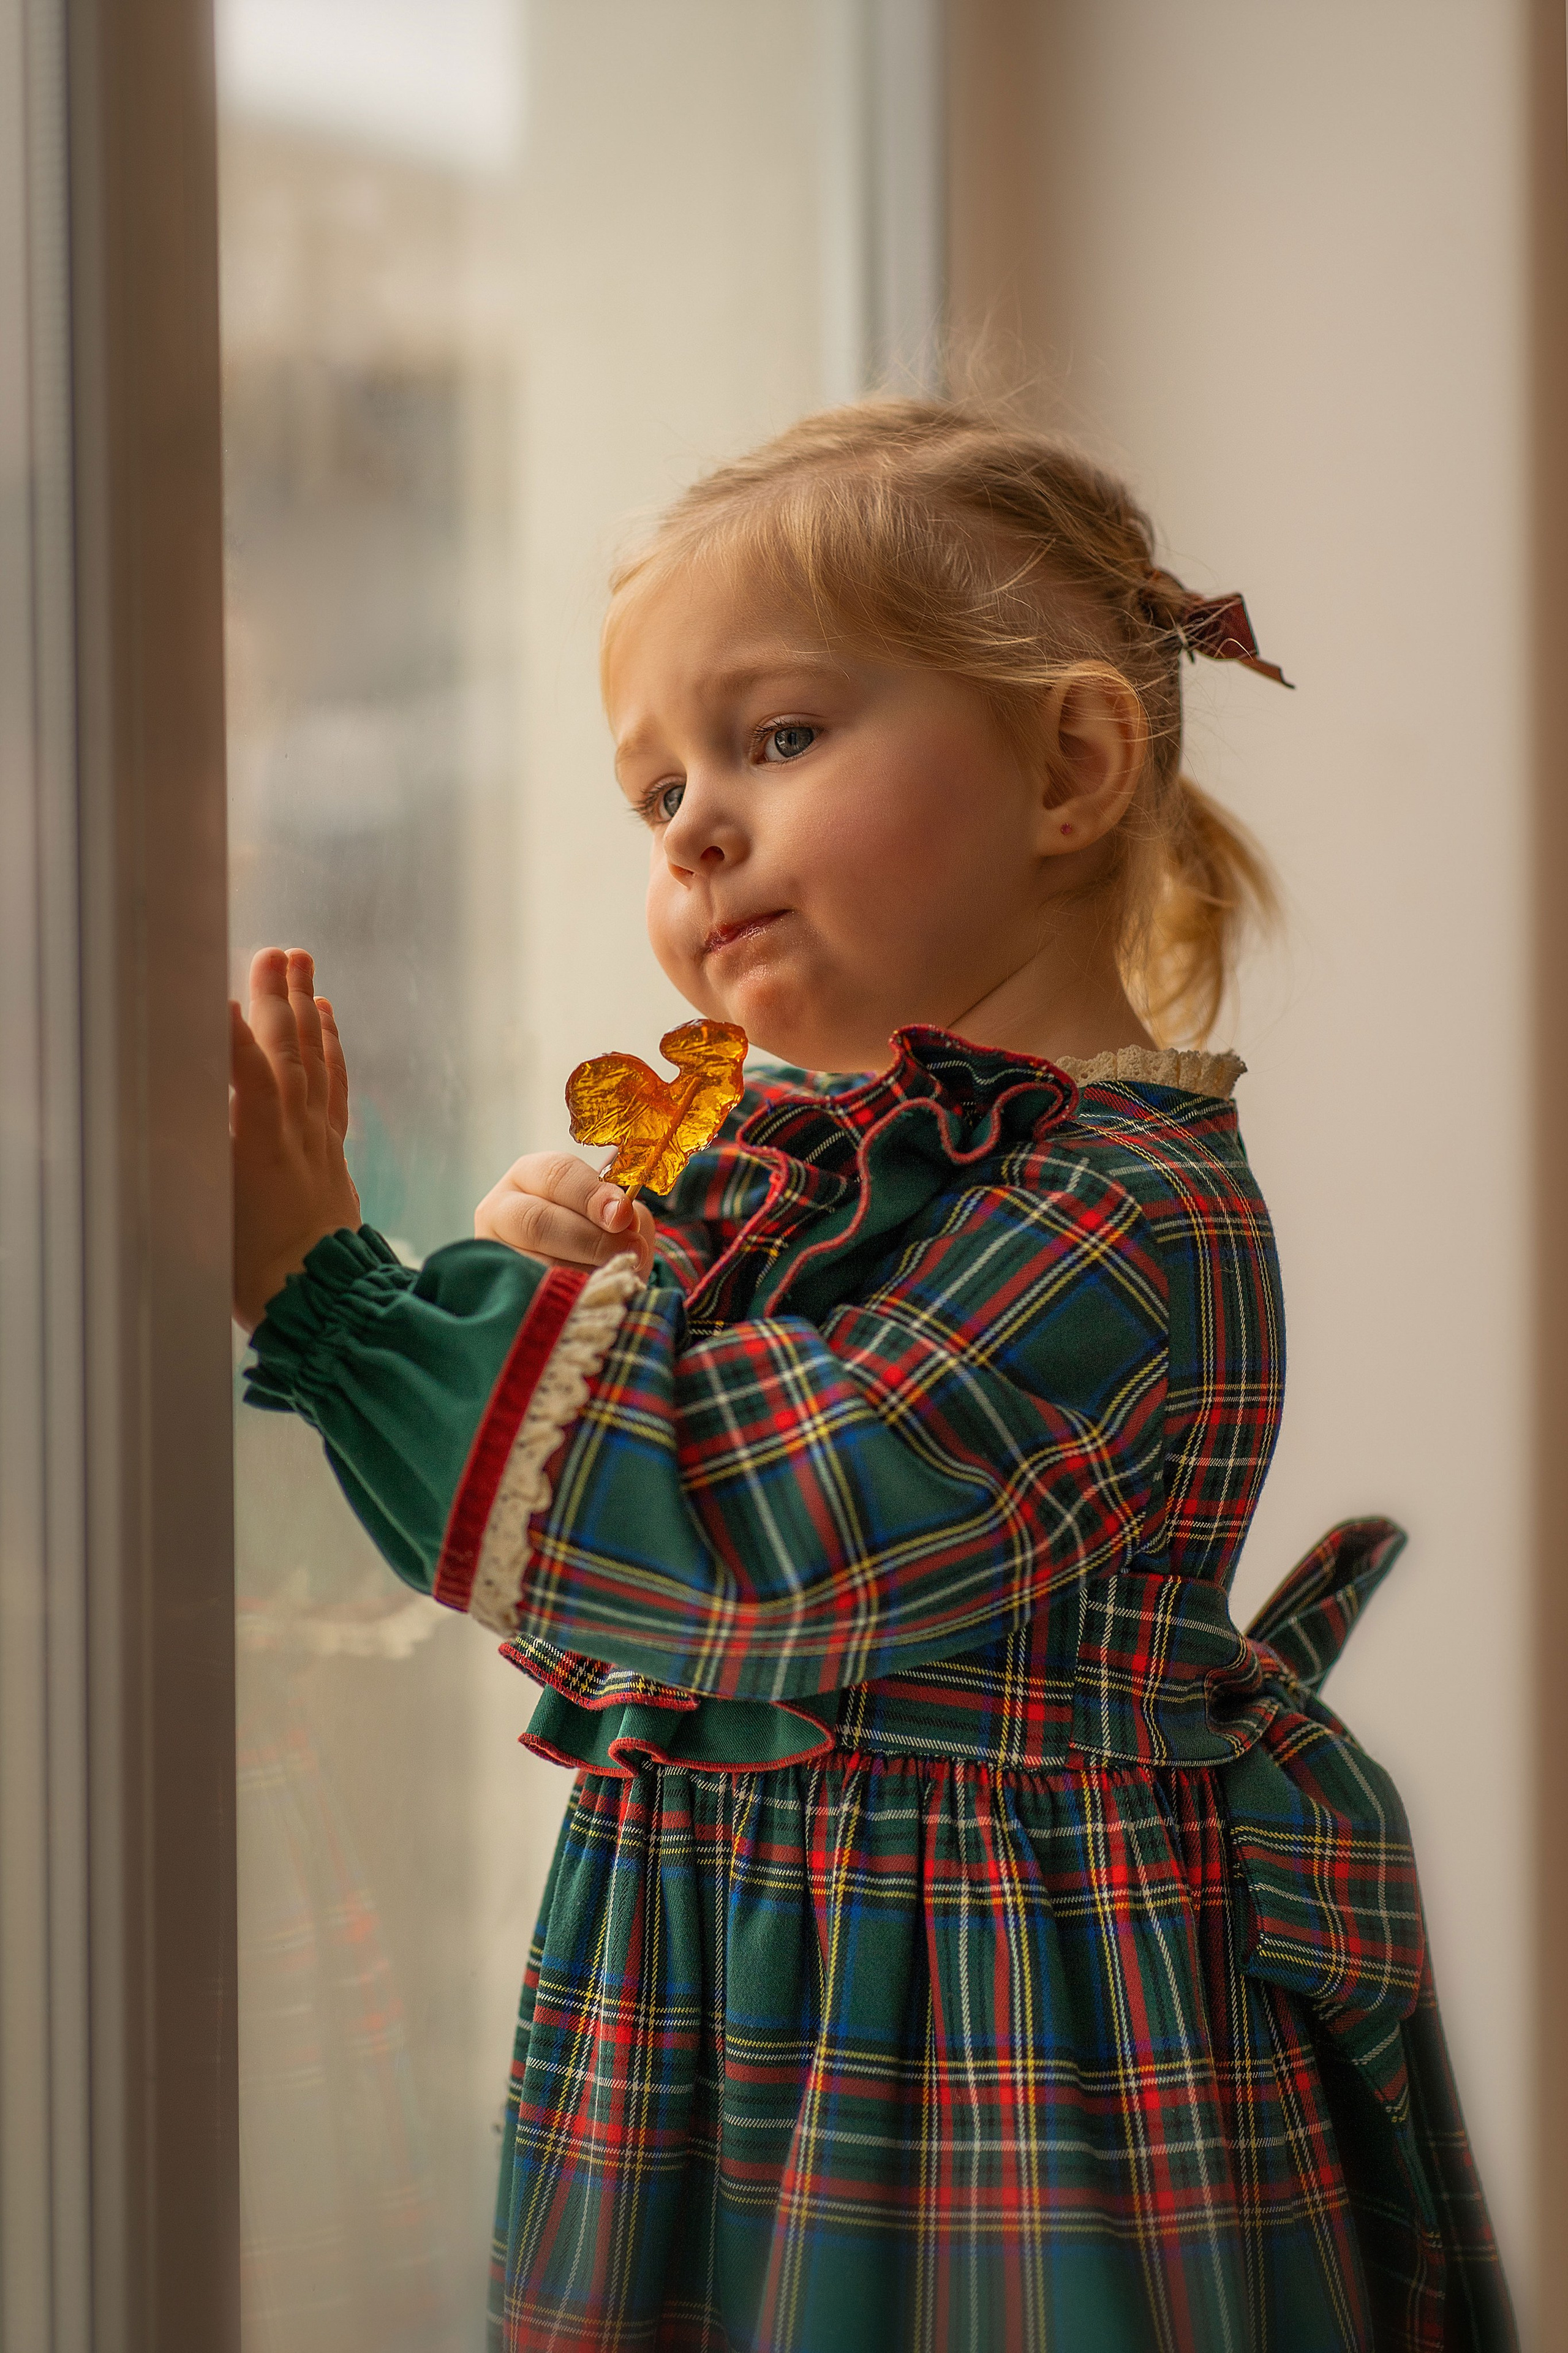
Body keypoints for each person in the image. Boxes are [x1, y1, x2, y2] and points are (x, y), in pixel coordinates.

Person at [231, 400, 1515, 2352]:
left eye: (775, 738)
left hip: (975, 2039)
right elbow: (618, 1619)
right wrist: (573, 1292)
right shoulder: (827, 1181)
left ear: (1072, 763)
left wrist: (339, 1300)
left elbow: (747, 1544)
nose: (694, 830)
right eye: (653, 791)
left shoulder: (1121, 1214)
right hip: (763, 1987)